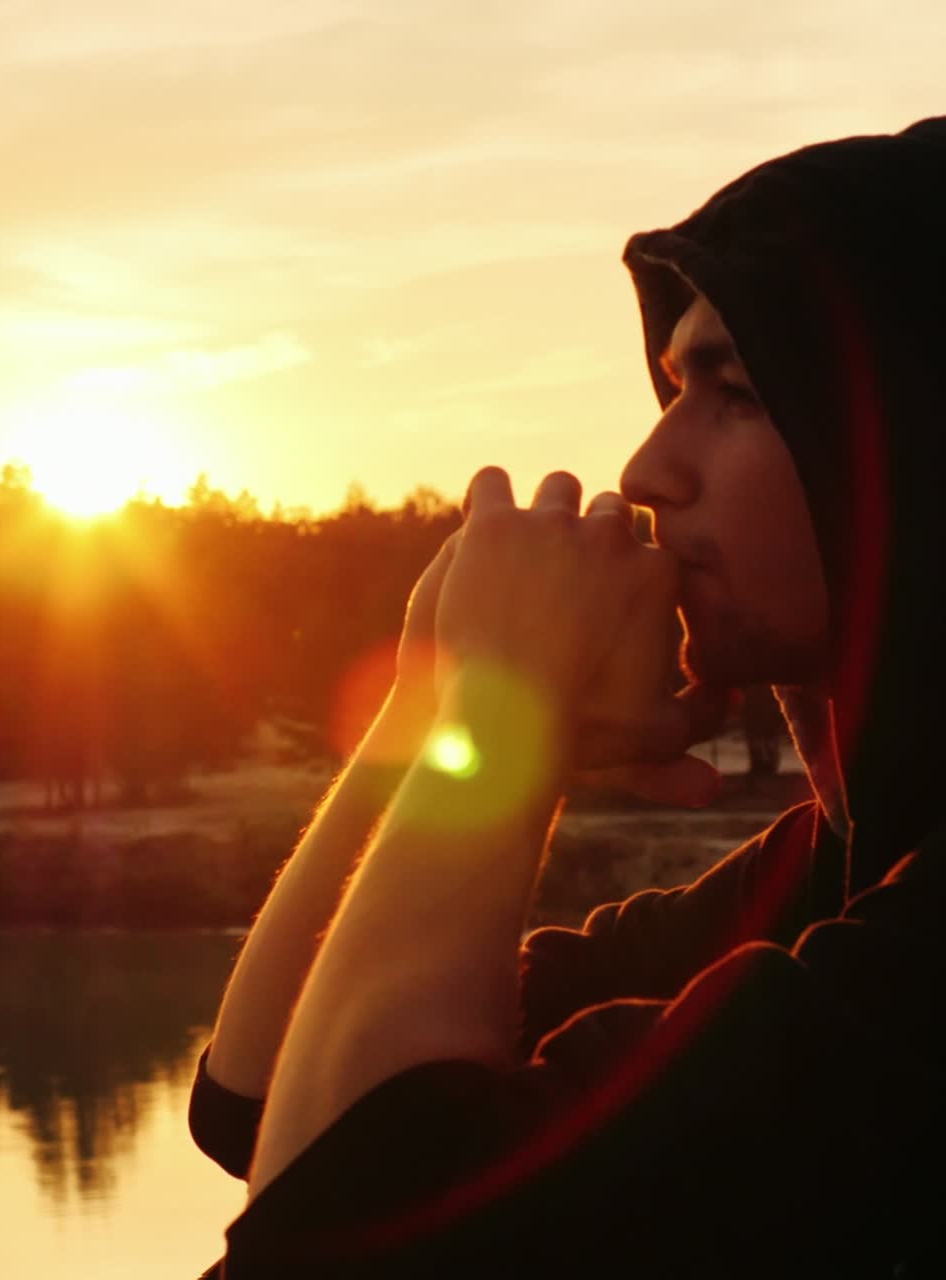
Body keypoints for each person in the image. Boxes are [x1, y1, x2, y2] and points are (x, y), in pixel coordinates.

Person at [188, 118, 946, 1277]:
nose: (645, 470)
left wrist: (505, 709)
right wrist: (433, 698)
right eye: (668, 388)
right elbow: (257, 1098)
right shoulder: (840, 864)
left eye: (735, 390)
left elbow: (332, 1234)